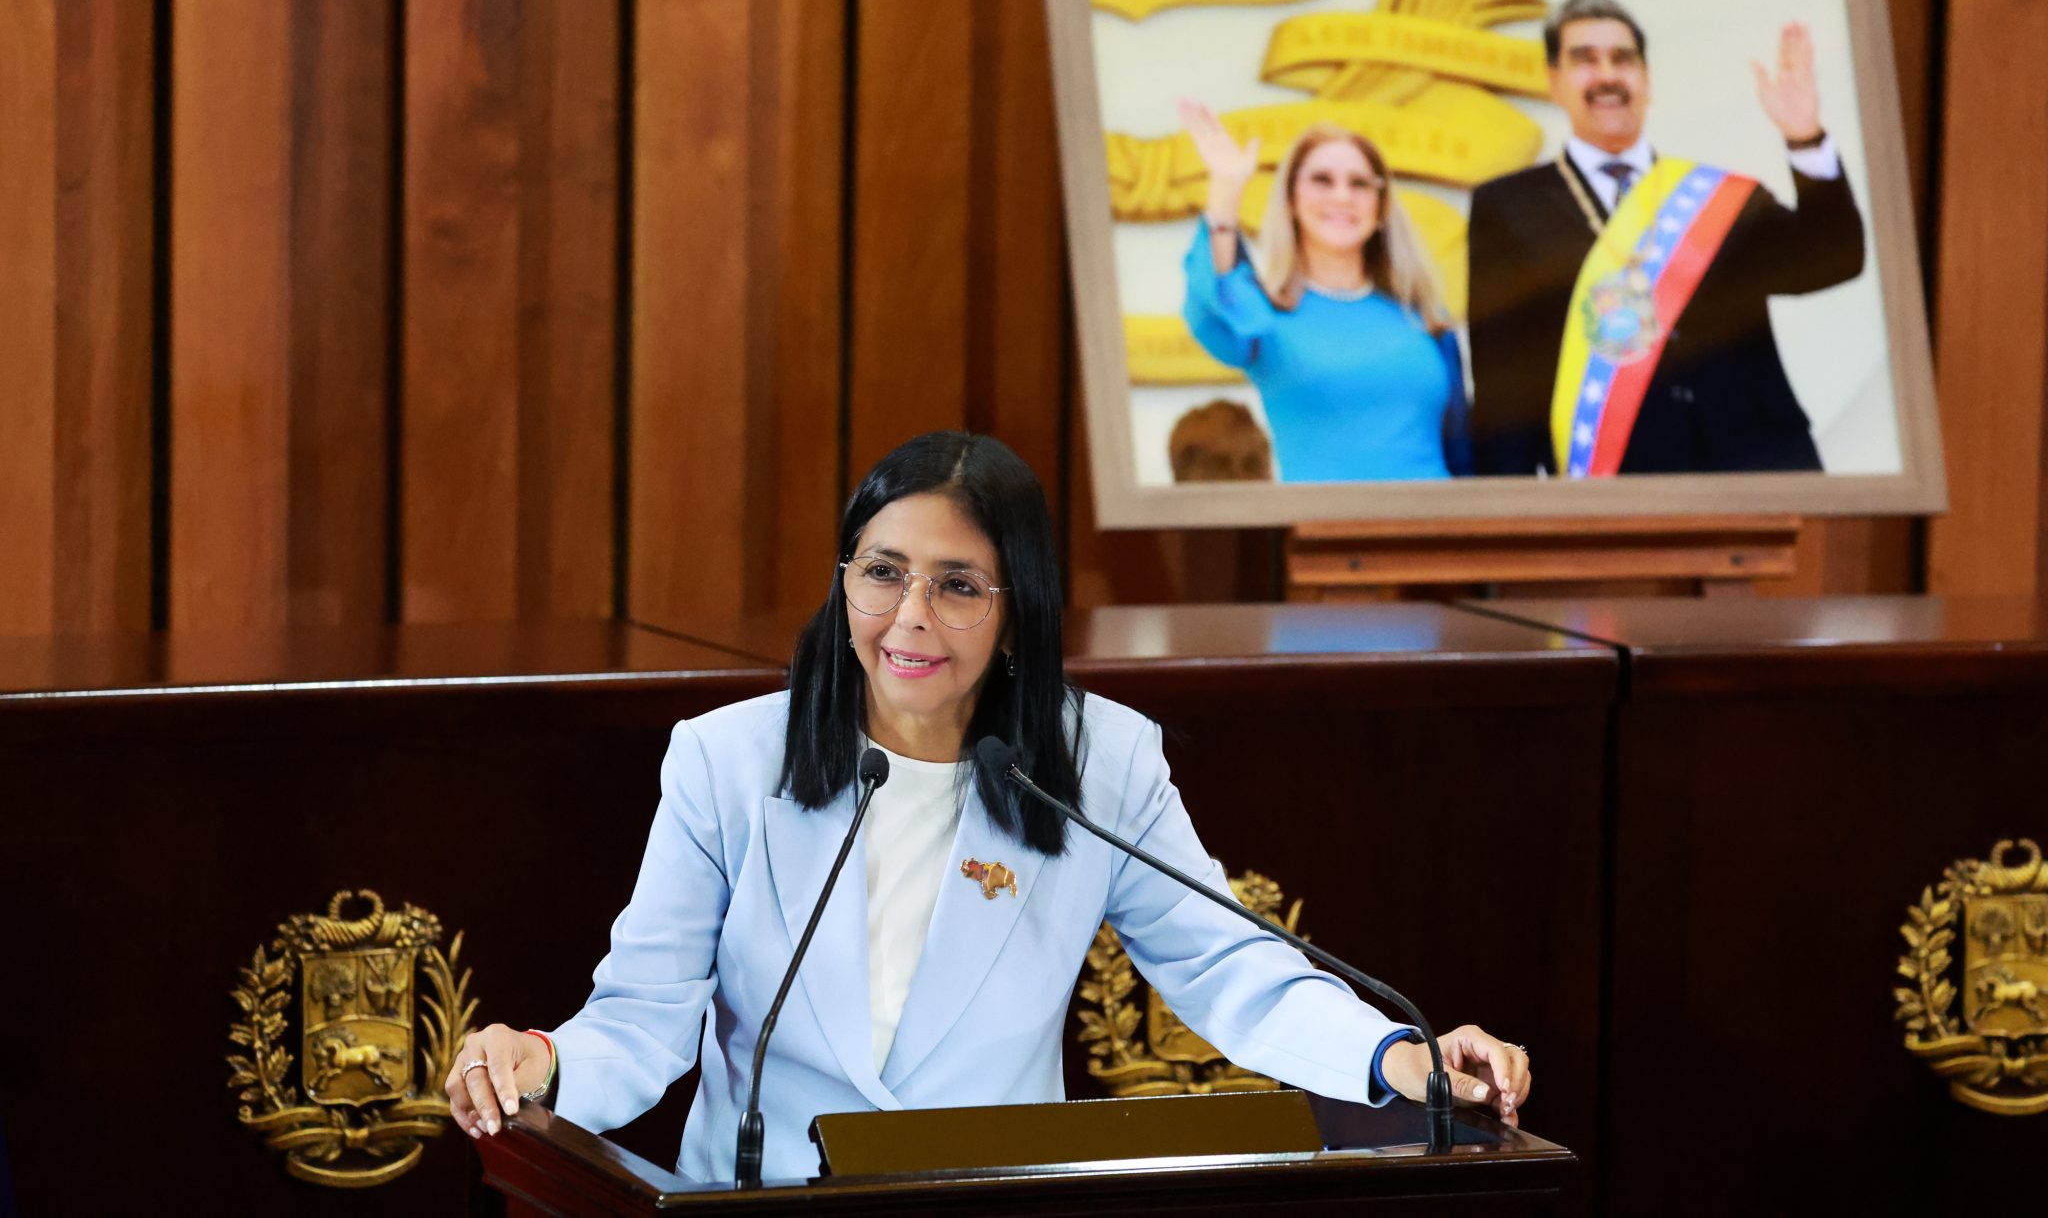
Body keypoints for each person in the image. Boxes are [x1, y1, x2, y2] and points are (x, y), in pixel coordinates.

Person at [443, 432, 1531, 1181]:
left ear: (1018, 614)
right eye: (882, 572)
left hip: (989, 1200)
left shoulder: (1095, 761)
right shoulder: (726, 762)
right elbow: (645, 1016)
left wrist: (1401, 1060)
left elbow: (1226, 966)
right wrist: (541, 1061)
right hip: (755, 1202)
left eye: (957, 585)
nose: (910, 617)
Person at [1465, 0, 1866, 477]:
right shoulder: (1508, 206)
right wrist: (1514, 501)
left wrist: (1805, 138)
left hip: (1759, 463)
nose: (1607, 75)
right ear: (1554, 81)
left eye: (1622, 59)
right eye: (1585, 60)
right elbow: (1503, 383)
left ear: (1647, 80)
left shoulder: (1716, 197)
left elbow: (1834, 259)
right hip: (1617, 476)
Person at [1179, 102, 1474, 482]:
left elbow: (1465, 457)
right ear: (1291, 200)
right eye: (1322, 180)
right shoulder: (1264, 317)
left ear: (1380, 207)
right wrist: (1225, 192)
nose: (1342, 197)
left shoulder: (1425, 318)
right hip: (1320, 520)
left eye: (1359, 184)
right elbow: (1212, 307)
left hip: (1435, 519)